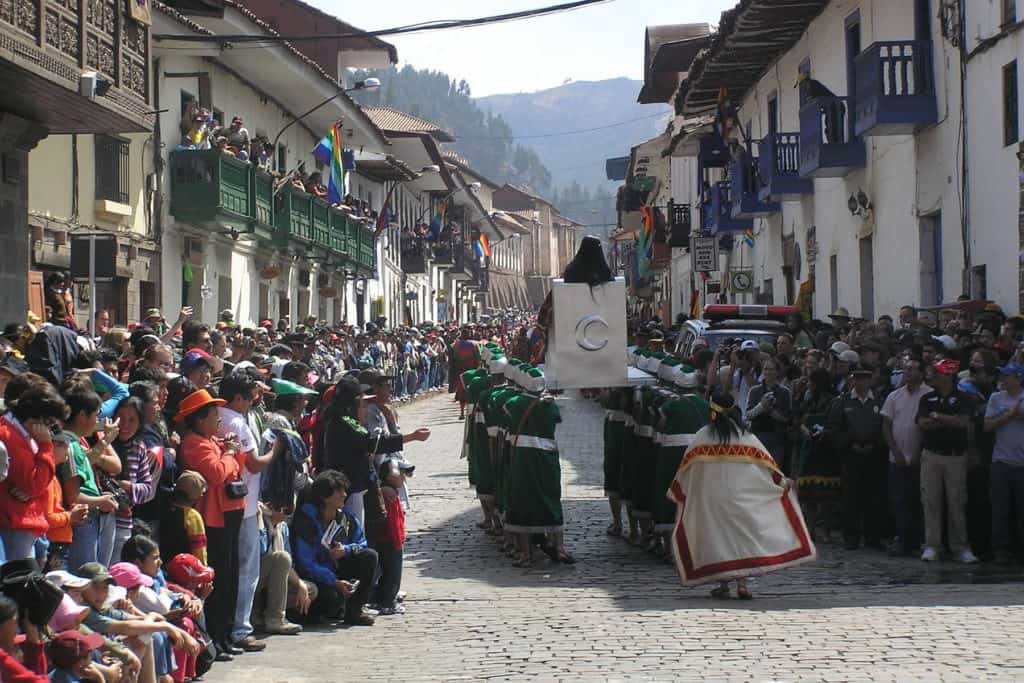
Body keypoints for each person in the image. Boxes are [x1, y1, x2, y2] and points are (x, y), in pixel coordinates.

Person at [666, 390, 815, 599]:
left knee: (720, 539)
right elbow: (768, 466)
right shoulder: (746, 437)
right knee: (741, 539)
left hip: (713, 500)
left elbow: (685, 469)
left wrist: (678, 491)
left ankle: (724, 585)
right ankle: (742, 584)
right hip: (742, 497)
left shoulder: (703, 436)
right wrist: (783, 482)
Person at [174, 389, 247, 658]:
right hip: (214, 519)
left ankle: (227, 636)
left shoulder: (213, 441)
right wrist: (227, 454)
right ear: (200, 419)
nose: (219, 420)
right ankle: (216, 638)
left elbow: (235, 467)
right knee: (219, 579)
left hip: (231, 514)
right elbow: (217, 474)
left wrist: (229, 451)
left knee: (231, 578)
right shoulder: (194, 443)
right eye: (214, 415)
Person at [289, 470, 378, 626]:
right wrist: (334, 581)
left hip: (337, 568)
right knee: (331, 600)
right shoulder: (306, 522)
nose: (344, 495)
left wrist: (347, 549)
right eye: (339, 491)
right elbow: (306, 563)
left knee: (370, 556)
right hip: (316, 576)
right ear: (324, 496)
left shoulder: (346, 518)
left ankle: (355, 610)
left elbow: (362, 543)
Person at [917, 358, 978, 563]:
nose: (934, 376)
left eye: (938, 373)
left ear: (949, 375)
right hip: (931, 454)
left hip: (955, 456)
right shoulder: (927, 399)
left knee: (957, 502)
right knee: (930, 501)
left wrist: (938, 417)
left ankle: (960, 546)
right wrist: (946, 420)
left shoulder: (964, 398)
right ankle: (932, 545)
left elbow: (963, 422)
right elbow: (922, 423)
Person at [0, 383, 68, 560]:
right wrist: (46, 445)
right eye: (50, 423)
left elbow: (36, 489)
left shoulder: (20, 433)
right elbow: (35, 485)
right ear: (37, 419)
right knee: (20, 585)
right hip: (15, 526)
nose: (51, 431)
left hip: (26, 523)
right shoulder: (10, 435)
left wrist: (33, 494)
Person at [881, 356, 929, 556]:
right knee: (899, 500)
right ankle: (903, 539)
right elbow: (886, 425)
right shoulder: (894, 396)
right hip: (897, 459)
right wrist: (895, 451)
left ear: (922, 372)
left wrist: (918, 452)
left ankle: (918, 541)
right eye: (906, 368)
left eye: (913, 368)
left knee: (918, 501)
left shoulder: (929, 395)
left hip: (921, 459)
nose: (908, 372)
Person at [984, 362, 1024, 564]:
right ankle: (1000, 549)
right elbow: (988, 425)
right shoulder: (996, 398)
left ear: (1018, 378)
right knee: (1000, 508)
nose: (1003, 379)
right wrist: (1009, 415)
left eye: (1007, 376)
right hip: (1001, 461)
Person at [745, 357, 793, 473]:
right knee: (758, 471)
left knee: (775, 472)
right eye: (766, 369)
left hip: (777, 438)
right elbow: (748, 414)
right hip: (758, 436)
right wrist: (762, 406)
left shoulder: (785, 392)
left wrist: (771, 412)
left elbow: (787, 418)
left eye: (771, 369)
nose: (768, 372)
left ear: (777, 372)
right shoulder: (754, 391)